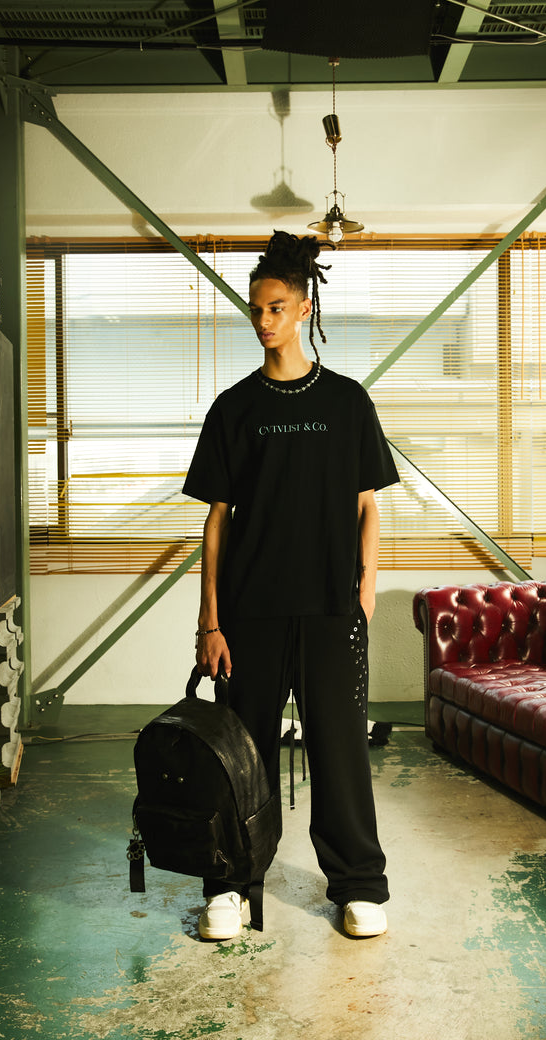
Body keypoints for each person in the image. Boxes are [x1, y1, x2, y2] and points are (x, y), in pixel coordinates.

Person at [182, 231, 399, 940]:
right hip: (251, 614)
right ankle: (230, 887)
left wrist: (366, 589)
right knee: (240, 758)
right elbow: (216, 523)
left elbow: (367, 505)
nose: (263, 320)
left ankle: (359, 886)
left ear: (304, 308)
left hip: (332, 609)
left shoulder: (347, 401)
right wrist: (211, 621)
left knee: (340, 753)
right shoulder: (234, 408)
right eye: (256, 309)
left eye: (276, 307)